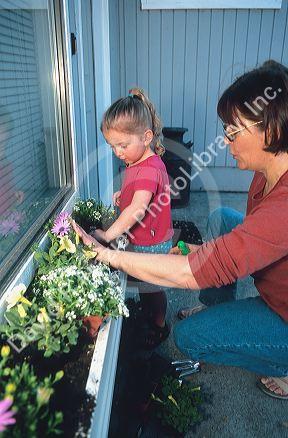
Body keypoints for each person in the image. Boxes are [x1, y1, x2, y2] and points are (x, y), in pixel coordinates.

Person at [72, 60, 288, 399]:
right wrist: (204, 252)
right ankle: (217, 304)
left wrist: (108, 254)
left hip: (283, 312)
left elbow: (196, 271)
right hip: (275, 277)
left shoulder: (284, 206)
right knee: (224, 219)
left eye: (233, 131)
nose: (226, 139)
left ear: (271, 132)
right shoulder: (266, 174)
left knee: (188, 336)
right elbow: (238, 247)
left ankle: (283, 365)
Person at [93, 87, 174, 348]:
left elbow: (139, 209)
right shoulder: (139, 161)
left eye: (123, 145)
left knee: (151, 289)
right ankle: (151, 315)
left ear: (147, 137)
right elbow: (139, 195)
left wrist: (107, 235)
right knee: (143, 284)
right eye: (112, 145)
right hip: (145, 237)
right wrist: (124, 195)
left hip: (151, 243)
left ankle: (159, 325)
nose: (118, 152)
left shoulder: (149, 167)